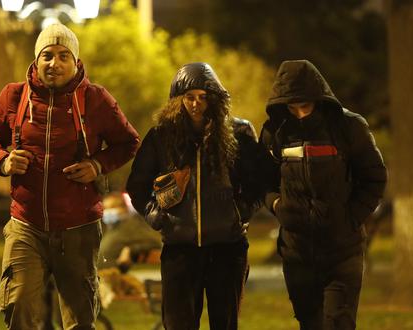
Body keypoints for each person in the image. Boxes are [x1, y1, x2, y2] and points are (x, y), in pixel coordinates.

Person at [0, 23, 140, 329]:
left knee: (80, 319)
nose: (55, 63)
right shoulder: (13, 97)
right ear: (36, 61)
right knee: (19, 305)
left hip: (78, 228)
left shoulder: (96, 99)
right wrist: (3, 161)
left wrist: (97, 165)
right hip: (26, 225)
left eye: (64, 55)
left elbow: (129, 142)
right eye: (47, 55)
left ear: (76, 62)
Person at [126, 62, 270, 330]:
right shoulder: (162, 135)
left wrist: (240, 212)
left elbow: (258, 182)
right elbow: (137, 184)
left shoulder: (238, 132)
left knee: (225, 323)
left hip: (228, 248)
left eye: (203, 97)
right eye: (189, 97)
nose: (195, 104)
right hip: (180, 249)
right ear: (177, 100)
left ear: (214, 99)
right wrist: (157, 216)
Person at [260, 59, 387, 330]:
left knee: (338, 324)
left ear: (319, 98)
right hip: (298, 254)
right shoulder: (275, 132)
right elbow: (263, 181)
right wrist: (278, 205)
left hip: (342, 252)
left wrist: (350, 217)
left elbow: (374, 178)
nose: (301, 114)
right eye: (293, 108)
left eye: (305, 106)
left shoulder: (348, 127)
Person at [98, 191, 162, 272]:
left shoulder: (133, 224)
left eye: (112, 207)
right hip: (105, 276)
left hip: (119, 277)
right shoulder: (112, 227)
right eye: (105, 208)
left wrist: (131, 250)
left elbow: (155, 242)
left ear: (124, 208)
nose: (108, 211)